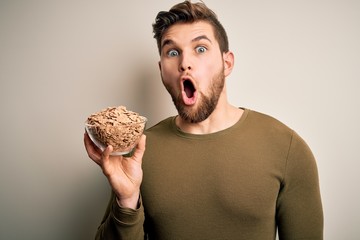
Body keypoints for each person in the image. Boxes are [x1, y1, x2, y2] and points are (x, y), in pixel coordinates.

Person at [84, 1, 324, 239]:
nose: (184, 63)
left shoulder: (287, 148)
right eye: (173, 52)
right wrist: (127, 201)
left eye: (200, 48)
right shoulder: (139, 153)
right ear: (161, 70)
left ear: (227, 63)